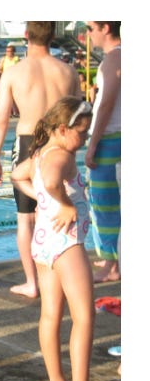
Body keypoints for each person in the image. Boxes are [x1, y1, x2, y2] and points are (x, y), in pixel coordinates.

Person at [10, 97, 116, 381]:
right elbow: (55, 181)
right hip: (67, 244)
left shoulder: (41, 152)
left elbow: (18, 175)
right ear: (62, 129)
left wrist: (42, 198)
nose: (83, 140)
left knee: (50, 315)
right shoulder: (63, 156)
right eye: (81, 133)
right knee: (84, 318)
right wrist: (65, 204)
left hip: (43, 243)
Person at [0, 22, 80, 299]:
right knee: (57, 212)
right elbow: (78, 117)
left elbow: (2, 118)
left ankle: (33, 283)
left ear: (26, 35)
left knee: (25, 219)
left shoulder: (14, 72)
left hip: (28, 142)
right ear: (53, 35)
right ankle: (59, 277)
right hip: (59, 144)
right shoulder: (68, 71)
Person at [84, 21, 120, 284]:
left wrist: (93, 143)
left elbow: (105, 104)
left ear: (105, 28)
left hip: (109, 140)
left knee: (104, 203)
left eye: (90, 27)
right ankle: (113, 256)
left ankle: (111, 265)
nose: (87, 34)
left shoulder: (112, 60)